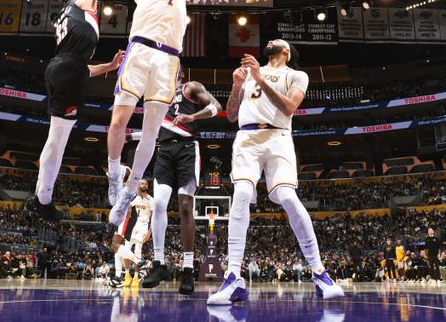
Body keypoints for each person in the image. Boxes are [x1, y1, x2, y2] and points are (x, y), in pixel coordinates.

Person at [207, 39, 344, 305]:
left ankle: (319, 272)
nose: (269, 40)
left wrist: (259, 77)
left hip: (278, 136)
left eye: (276, 40)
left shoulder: (296, 75)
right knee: (242, 193)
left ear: (286, 51)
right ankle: (233, 276)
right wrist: (237, 87)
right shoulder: (247, 74)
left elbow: (289, 107)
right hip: (247, 137)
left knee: (289, 197)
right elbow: (232, 114)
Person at [27, 0, 133, 221]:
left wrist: (109, 68)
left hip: (64, 67)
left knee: (57, 137)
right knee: (57, 140)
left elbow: (80, 66)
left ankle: (41, 197)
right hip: (66, 68)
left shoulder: (71, 18)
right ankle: (42, 200)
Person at [106, 0, 193, 226]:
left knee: (150, 133)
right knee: (118, 123)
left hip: (168, 58)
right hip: (140, 51)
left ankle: (129, 190)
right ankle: (114, 172)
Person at [141, 79, 221, 295]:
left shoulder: (190, 87)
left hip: (187, 148)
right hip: (164, 150)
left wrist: (192, 117)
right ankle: (159, 265)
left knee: (185, 207)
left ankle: (187, 269)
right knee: (158, 203)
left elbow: (216, 107)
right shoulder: (158, 94)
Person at [110, 180, 153, 288]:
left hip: (142, 225)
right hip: (130, 223)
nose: (143, 185)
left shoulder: (147, 199)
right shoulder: (131, 194)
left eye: (145, 183)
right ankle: (126, 275)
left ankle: (136, 275)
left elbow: (153, 216)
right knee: (123, 249)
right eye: (142, 183)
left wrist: (150, 231)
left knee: (136, 250)